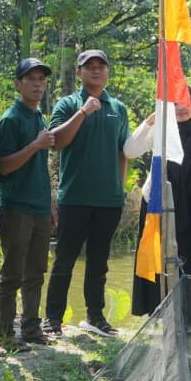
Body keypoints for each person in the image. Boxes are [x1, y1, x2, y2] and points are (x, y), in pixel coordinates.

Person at [44, 49, 130, 339]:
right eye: (88, 66)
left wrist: (120, 190)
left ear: (107, 72)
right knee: (64, 259)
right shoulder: (68, 104)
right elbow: (56, 142)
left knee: (99, 262)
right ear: (78, 72)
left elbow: (122, 152)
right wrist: (83, 112)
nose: (95, 71)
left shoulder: (118, 108)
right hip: (75, 198)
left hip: (109, 201)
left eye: (100, 66)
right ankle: (52, 319)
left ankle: (95, 317)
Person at [125, 88, 191, 317]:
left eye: (186, 103)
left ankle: (189, 316)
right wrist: (151, 120)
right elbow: (130, 151)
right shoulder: (161, 131)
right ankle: (159, 313)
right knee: (157, 257)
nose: (181, 109)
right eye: (175, 104)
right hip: (158, 203)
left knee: (190, 258)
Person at [0, 58, 55, 350]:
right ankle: (6, 334)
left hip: (40, 208)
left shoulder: (39, 116)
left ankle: (31, 328)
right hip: (16, 208)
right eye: (31, 79)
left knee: (36, 272)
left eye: (41, 79)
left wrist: (50, 202)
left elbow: (40, 167)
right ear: (18, 84)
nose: (37, 84)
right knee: (12, 275)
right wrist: (35, 145)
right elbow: (4, 166)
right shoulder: (11, 119)